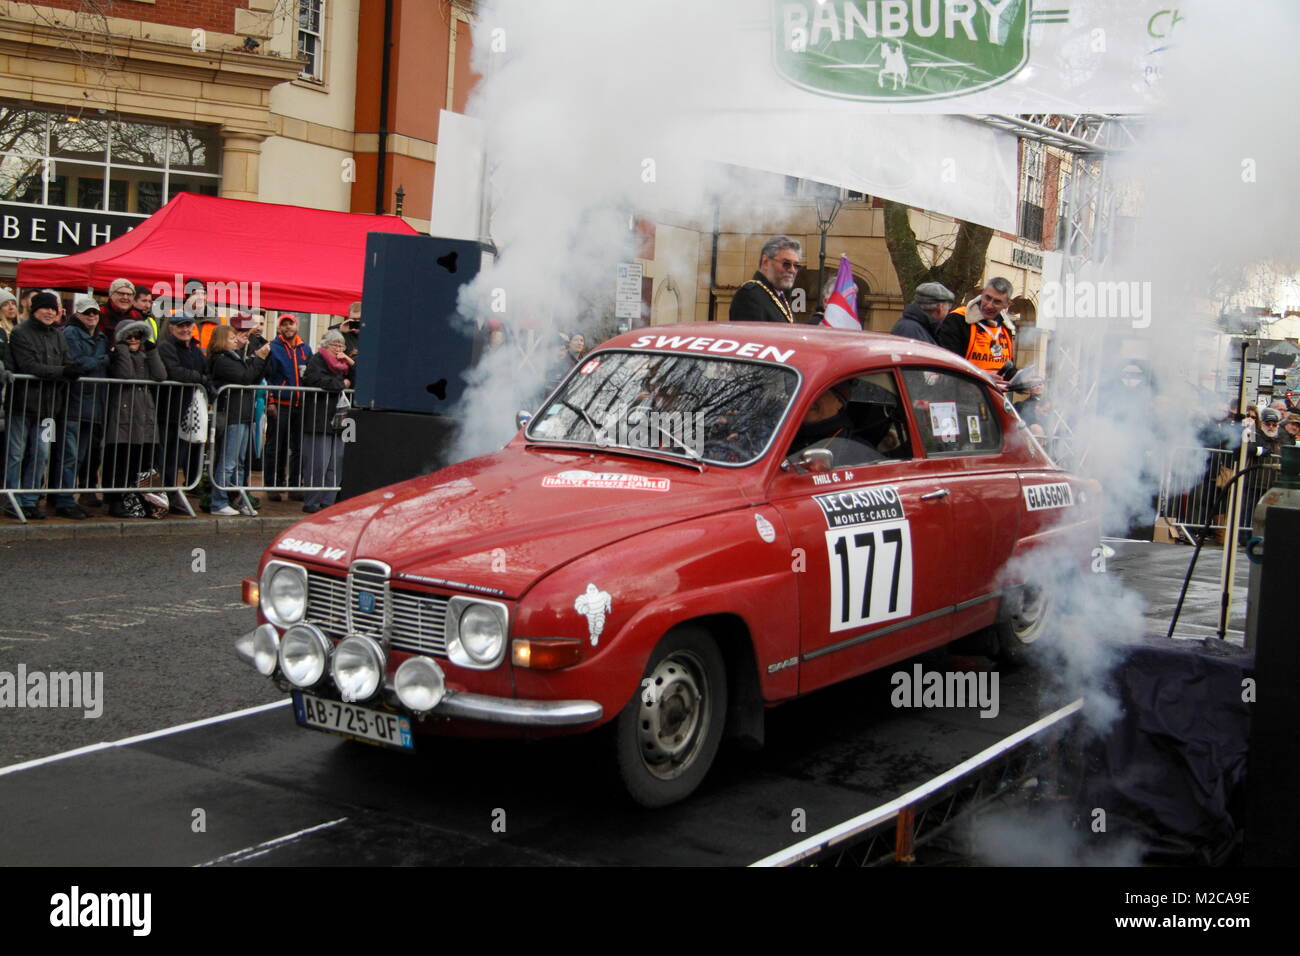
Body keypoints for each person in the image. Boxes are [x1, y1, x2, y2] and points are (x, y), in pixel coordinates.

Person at [4, 291, 73, 520]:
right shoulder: (20, 332)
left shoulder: (57, 335)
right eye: (46, 308)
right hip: (22, 404)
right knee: (16, 453)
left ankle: (30, 499)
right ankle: (12, 499)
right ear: (35, 310)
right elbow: (28, 366)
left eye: (53, 309)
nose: (50, 312)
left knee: (41, 454)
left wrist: (73, 368)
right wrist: (63, 372)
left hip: (49, 407)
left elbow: (65, 361)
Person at [51, 294, 111, 519]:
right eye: (87, 312)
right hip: (74, 403)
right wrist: (102, 359)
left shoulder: (102, 337)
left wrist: (97, 360)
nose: (92, 316)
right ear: (77, 313)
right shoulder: (70, 333)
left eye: (95, 312)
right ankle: (64, 499)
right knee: (69, 455)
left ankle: (67, 497)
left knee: (81, 456)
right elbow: (77, 363)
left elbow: (90, 362)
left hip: (94, 405)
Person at [206, 319, 272, 516]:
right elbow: (244, 378)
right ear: (221, 340)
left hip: (243, 414)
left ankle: (240, 499)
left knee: (240, 463)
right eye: (232, 338)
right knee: (228, 462)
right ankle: (218, 502)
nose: (236, 340)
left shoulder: (235, 357)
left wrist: (258, 357)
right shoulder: (221, 360)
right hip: (232, 415)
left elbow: (254, 376)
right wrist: (258, 358)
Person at [104, 319, 165, 518]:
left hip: (145, 415)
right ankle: (116, 501)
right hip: (123, 415)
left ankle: (148, 502)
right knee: (121, 462)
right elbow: (125, 374)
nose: (133, 340)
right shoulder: (117, 355)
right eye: (129, 336)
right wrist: (121, 348)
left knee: (145, 463)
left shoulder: (145, 356)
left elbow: (160, 375)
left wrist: (152, 350)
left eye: (137, 336)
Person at [156, 313, 209, 513]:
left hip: (186, 412)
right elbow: (175, 372)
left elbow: (205, 373)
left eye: (188, 325)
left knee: (176, 457)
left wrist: (200, 379)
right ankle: (160, 495)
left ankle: (171, 494)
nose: (185, 329)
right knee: (162, 457)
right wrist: (199, 379)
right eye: (180, 326)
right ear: (171, 328)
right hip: (166, 409)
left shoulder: (194, 349)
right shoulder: (166, 347)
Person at [301, 329, 354, 514]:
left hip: (342, 422)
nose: (339, 348)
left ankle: (328, 502)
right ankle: (312, 502)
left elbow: (359, 379)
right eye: (335, 345)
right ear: (326, 345)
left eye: (341, 345)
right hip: (319, 419)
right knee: (318, 463)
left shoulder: (344, 365)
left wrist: (351, 363)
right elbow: (317, 380)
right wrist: (343, 384)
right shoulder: (317, 360)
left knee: (337, 462)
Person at [265, 314, 313, 500]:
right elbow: (268, 376)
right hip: (279, 403)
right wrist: (270, 401)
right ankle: (273, 485)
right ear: (279, 328)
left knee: (299, 447)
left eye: (290, 323)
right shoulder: (273, 348)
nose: (287, 327)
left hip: (300, 404)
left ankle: (294, 486)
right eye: (283, 324)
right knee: (276, 446)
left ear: (297, 325)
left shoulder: (305, 349)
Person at [937, 277, 1016, 378]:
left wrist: (1024, 382)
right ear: (982, 294)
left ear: (1007, 304)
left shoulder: (1007, 327)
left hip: (993, 393)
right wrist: (983, 376)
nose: (989, 305)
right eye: (987, 298)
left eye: (997, 302)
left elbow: (1008, 371)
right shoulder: (958, 320)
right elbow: (949, 364)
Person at [786, 383, 881, 465]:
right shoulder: (781, 432)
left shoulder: (858, 451)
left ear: (839, 403)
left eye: (819, 392)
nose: (808, 398)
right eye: (803, 392)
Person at [729, 236, 800, 323]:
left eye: (796, 265)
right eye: (786, 263)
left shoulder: (778, 295)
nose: (792, 270)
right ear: (765, 262)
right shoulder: (749, 295)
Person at [891, 282, 956, 345]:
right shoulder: (911, 330)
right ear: (939, 307)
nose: (948, 310)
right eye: (948, 306)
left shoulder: (917, 327)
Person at [99, 277, 142, 343]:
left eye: (129, 294)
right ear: (111, 295)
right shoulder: (99, 314)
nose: (125, 297)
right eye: (121, 293)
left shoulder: (136, 316)